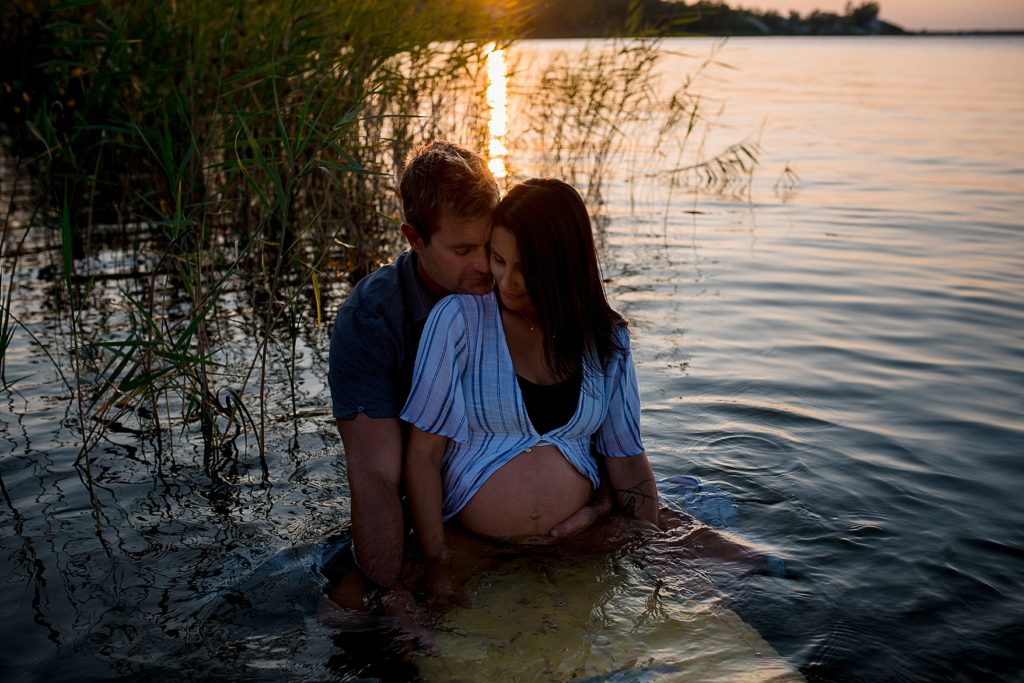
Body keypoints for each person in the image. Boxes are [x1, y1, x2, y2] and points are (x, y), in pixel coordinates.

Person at [327, 145, 611, 603]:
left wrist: (602, 506)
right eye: (463, 250)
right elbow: (377, 476)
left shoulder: (519, 287)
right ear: (414, 239)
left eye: (490, 246)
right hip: (431, 522)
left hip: (557, 523)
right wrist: (396, 588)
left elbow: (587, 419)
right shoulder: (371, 320)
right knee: (356, 606)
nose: (487, 267)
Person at [400, 178, 660, 594]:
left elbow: (626, 457)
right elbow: (424, 456)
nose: (507, 282)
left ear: (565, 264)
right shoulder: (459, 321)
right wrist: (437, 559)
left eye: (526, 268)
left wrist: (649, 552)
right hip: (474, 551)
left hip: (579, 546)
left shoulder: (606, 340)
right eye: (499, 260)